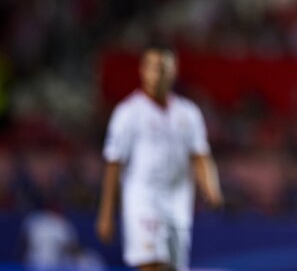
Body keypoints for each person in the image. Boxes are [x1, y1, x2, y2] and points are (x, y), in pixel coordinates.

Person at [96, 45, 224, 271]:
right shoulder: (128, 113)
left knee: (172, 267)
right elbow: (114, 163)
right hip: (143, 198)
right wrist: (106, 213)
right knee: (151, 264)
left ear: (174, 71)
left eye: (163, 68)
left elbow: (201, 155)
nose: (157, 74)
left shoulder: (189, 113)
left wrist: (211, 188)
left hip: (177, 202)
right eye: (152, 68)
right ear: (142, 70)